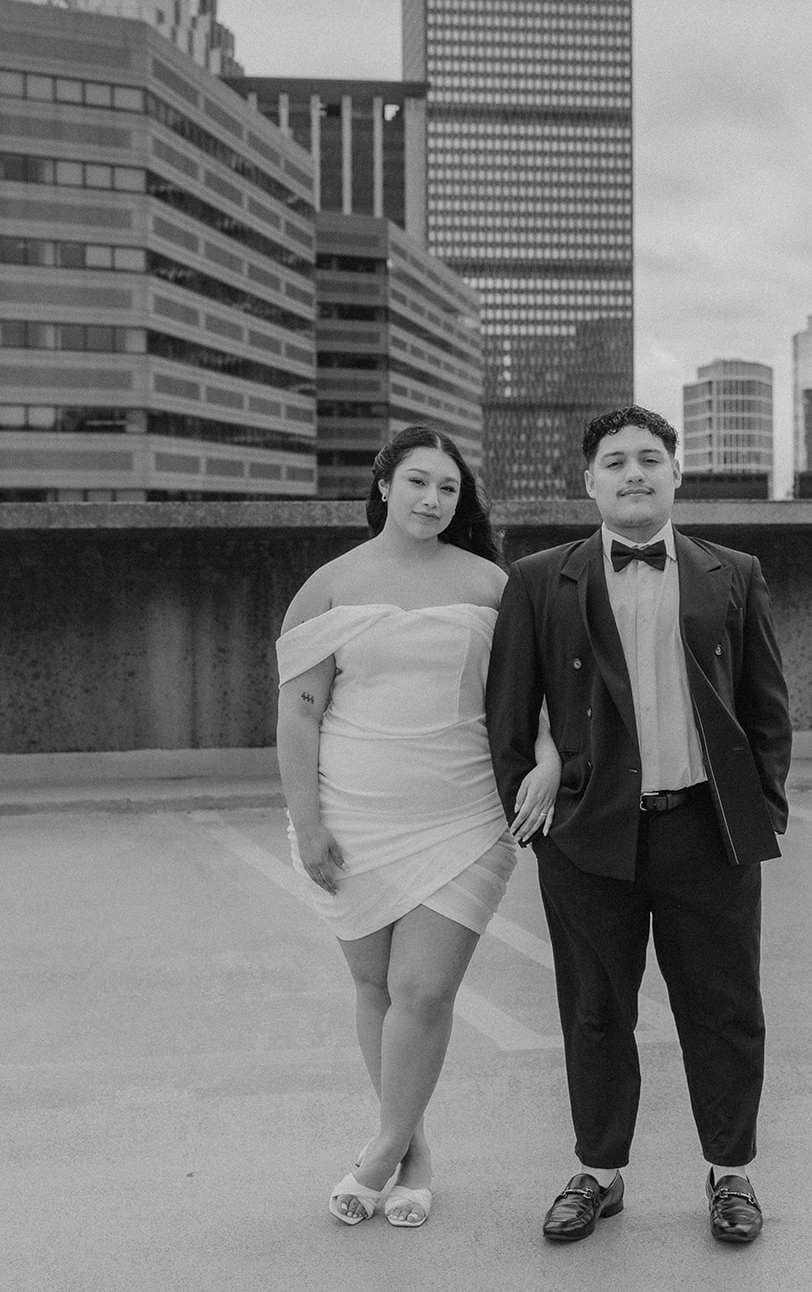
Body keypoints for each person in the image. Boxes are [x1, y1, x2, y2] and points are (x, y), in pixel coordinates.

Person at [486, 405, 791, 1247]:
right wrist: (538, 813)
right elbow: (509, 712)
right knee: (593, 1010)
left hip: (706, 828)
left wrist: (761, 807)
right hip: (589, 837)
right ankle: (598, 1171)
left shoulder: (731, 571)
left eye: (648, 459)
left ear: (674, 473)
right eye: (614, 462)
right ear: (589, 482)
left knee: (724, 1007)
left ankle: (731, 1173)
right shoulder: (538, 578)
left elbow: (766, 706)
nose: (633, 473)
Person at [275, 423, 560, 1229]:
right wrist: (309, 822)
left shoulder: (490, 584)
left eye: (447, 487)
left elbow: (531, 696)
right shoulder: (327, 586)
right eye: (418, 483)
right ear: (383, 487)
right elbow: (299, 714)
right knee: (374, 987)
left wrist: (545, 758)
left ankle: (375, 1156)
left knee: (423, 989)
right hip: (350, 812)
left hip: (465, 811)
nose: (434, 499)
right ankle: (414, 1152)